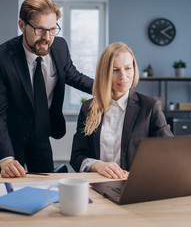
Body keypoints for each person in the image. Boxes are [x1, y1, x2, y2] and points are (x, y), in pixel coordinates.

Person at [0, 0, 93, 178]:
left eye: (52, 29)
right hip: (11, 137)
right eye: (40, 30)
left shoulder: (59, 47)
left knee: (46, 186)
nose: (47, 38)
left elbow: (74, 77)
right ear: (21, 25)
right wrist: (6, 159)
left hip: (42, 134)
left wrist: (108, 88)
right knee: (11, 189)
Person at [70, 42, 173, 179]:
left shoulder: (150, 107)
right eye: (115, 70)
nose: (123, 76)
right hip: (96, 184)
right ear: (104, 73)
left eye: (128, 68)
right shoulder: (88, 108)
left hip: (135, 185)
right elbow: (77, 157)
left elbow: (169, 151)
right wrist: (97, 165)